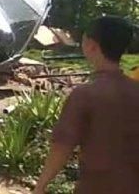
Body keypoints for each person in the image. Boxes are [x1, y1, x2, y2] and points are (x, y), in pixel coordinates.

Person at [33, 16, 139, 194]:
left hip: (97, 186)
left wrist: (40, 186)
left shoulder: (85, 95)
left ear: (91, 45)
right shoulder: (135, 90)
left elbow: (62, 147)